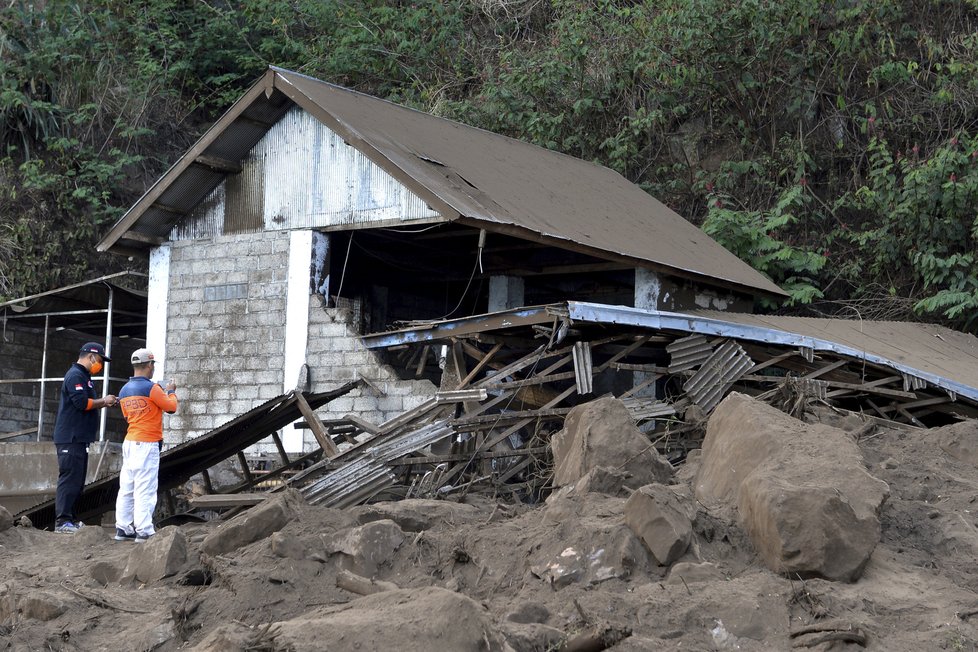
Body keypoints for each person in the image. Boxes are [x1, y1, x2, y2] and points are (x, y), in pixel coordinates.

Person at [52, 342, 118, 533]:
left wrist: (103, 402)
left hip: (79, 439)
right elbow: (80, 403)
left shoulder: (85, 377)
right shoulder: (75, 375)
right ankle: (62, 521)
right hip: (70, 438)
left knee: (77, 481)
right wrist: (103, 401)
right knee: (69, 479)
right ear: (90, 357)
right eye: (99, 360)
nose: (100, 365)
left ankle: (70, 519)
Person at [114, 348, 178, 543]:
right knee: (145, 487)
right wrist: (172, 391)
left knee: (127, 486)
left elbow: (127, 416)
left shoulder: (124, 390)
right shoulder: (152, 388)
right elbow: (171, 408)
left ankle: (123, 528)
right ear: (149, 365)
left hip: (130, 441)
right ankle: (144, 530)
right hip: (147, 443)